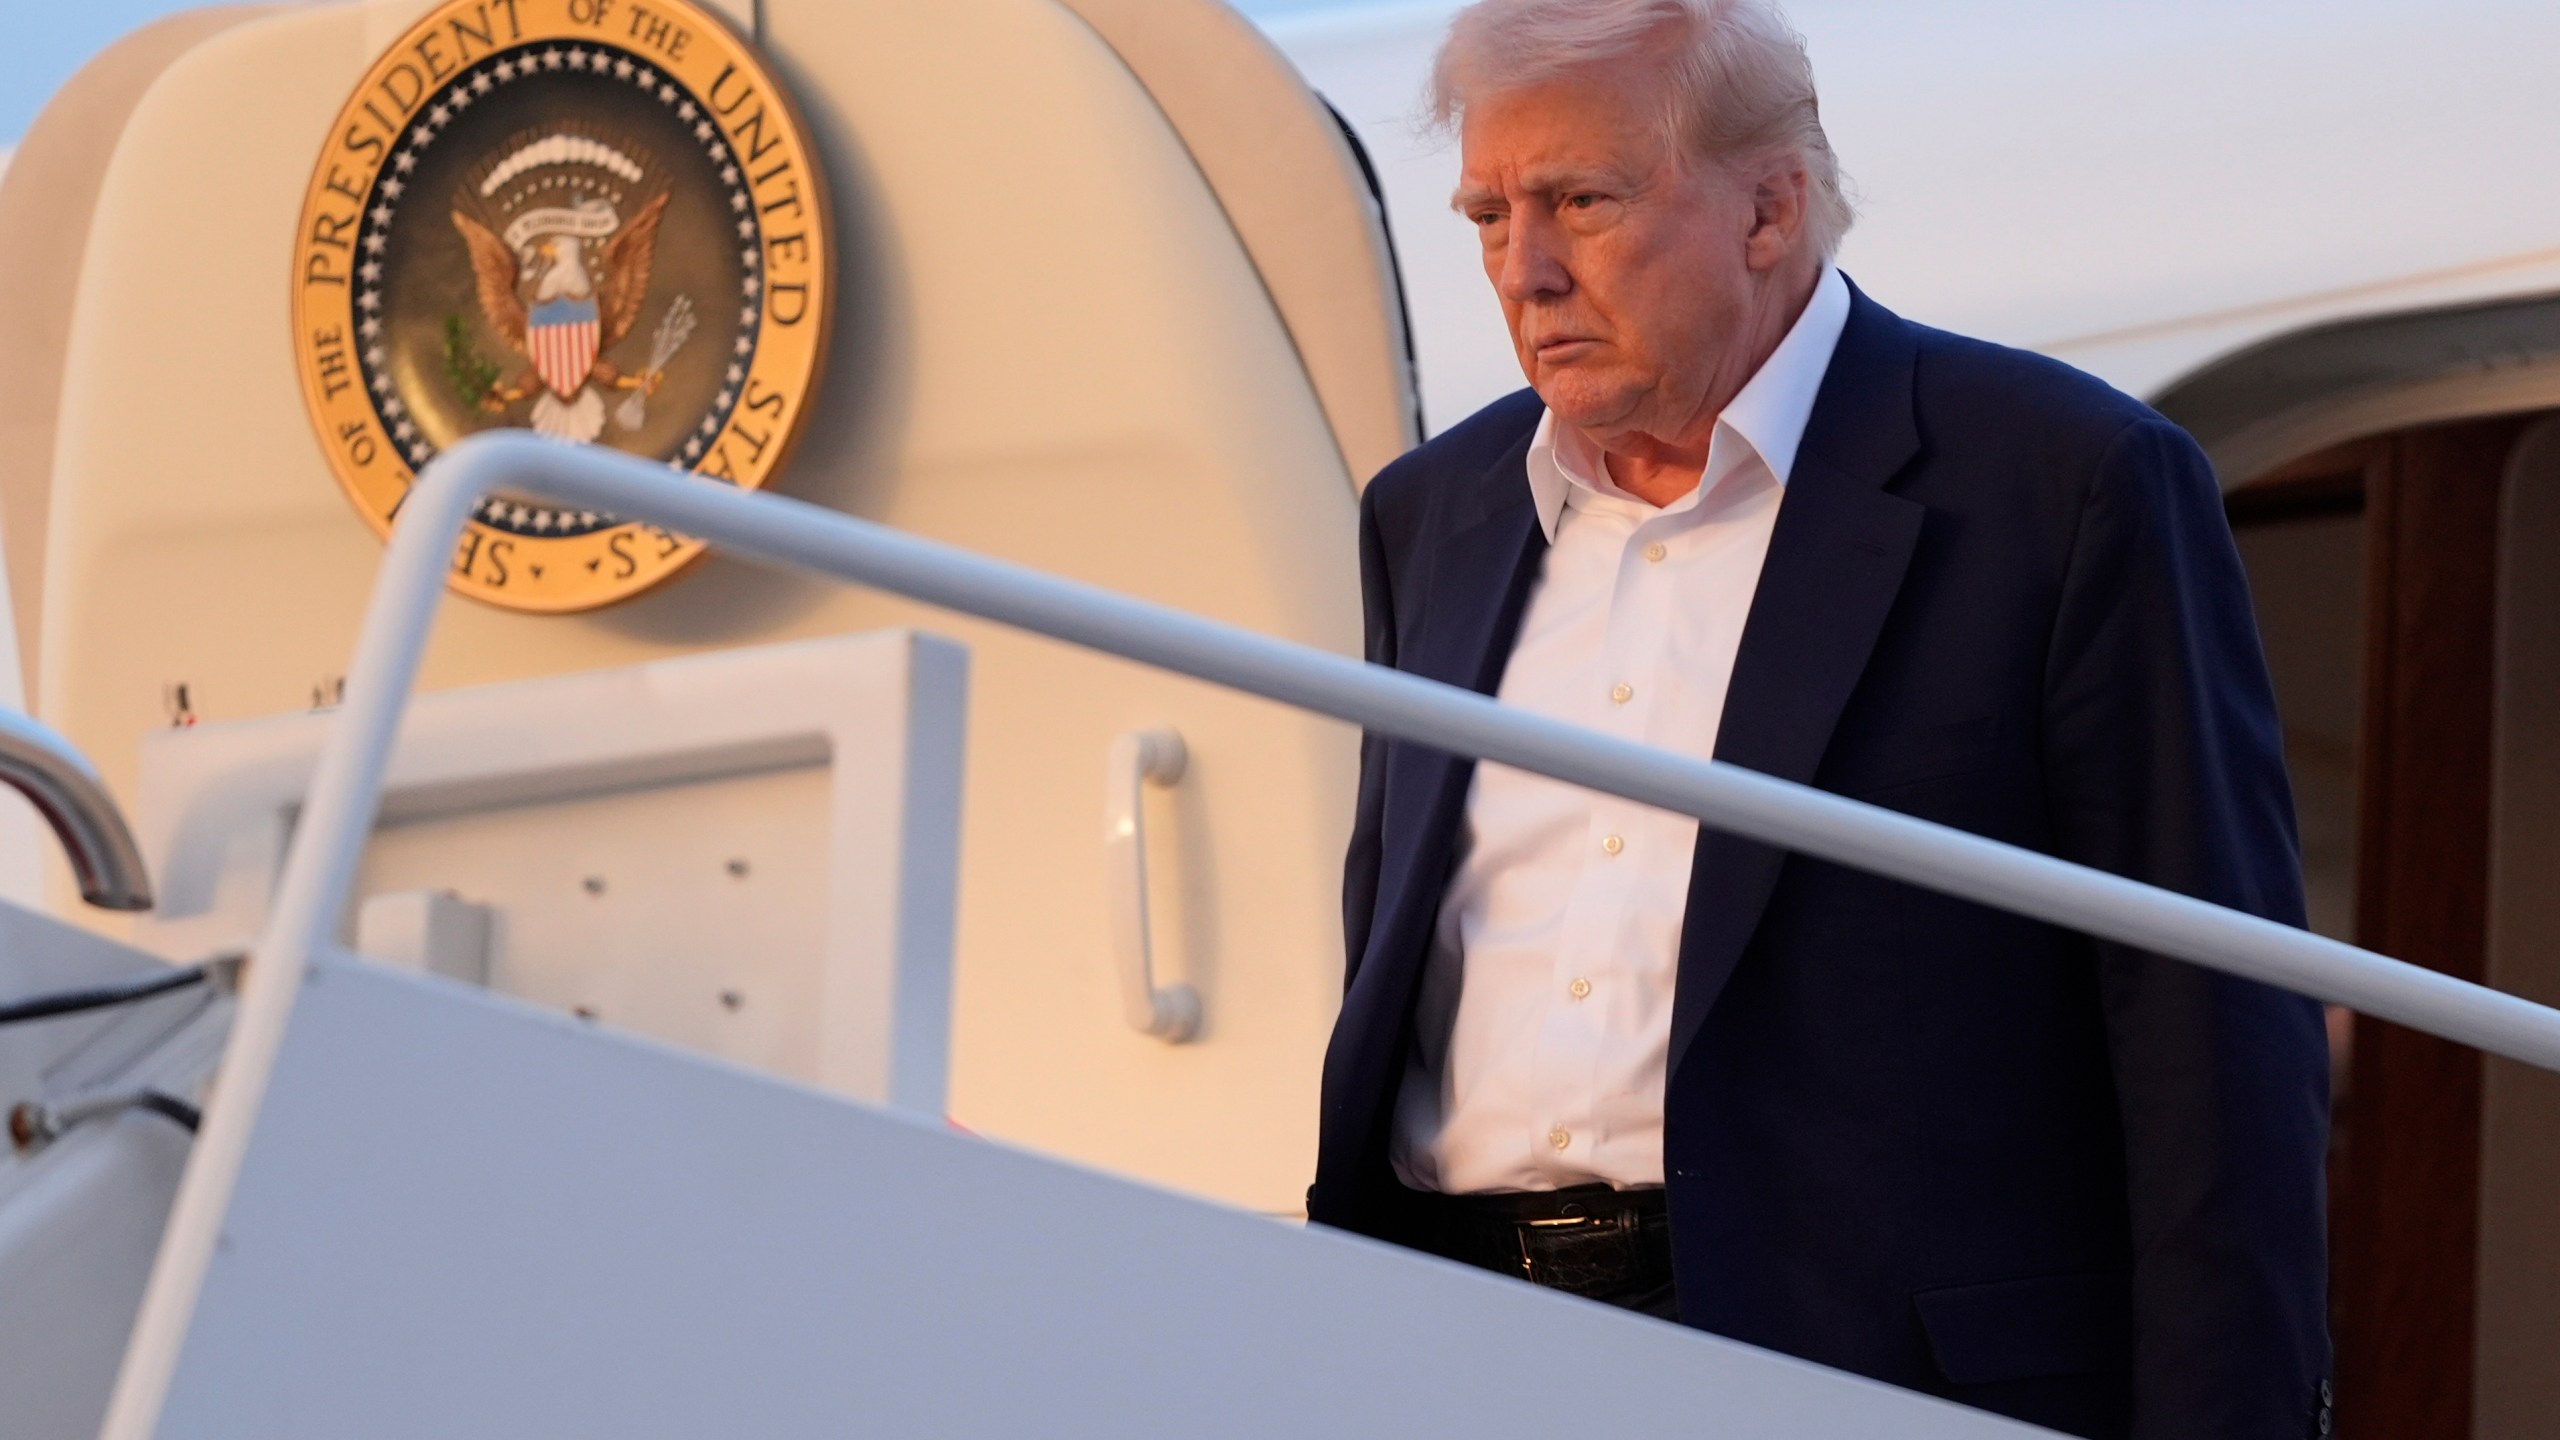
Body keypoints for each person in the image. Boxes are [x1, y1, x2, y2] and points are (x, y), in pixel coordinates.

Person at [1306, 2, 2333, 1436]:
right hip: (1451, 1347)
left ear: (1770, 209)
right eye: (1489, 216)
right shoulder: (1432, 514)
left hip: (1864, 1370)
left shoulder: (2064, 482)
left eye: (1582, 203)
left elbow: (2212, 1030)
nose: (1523, 270)